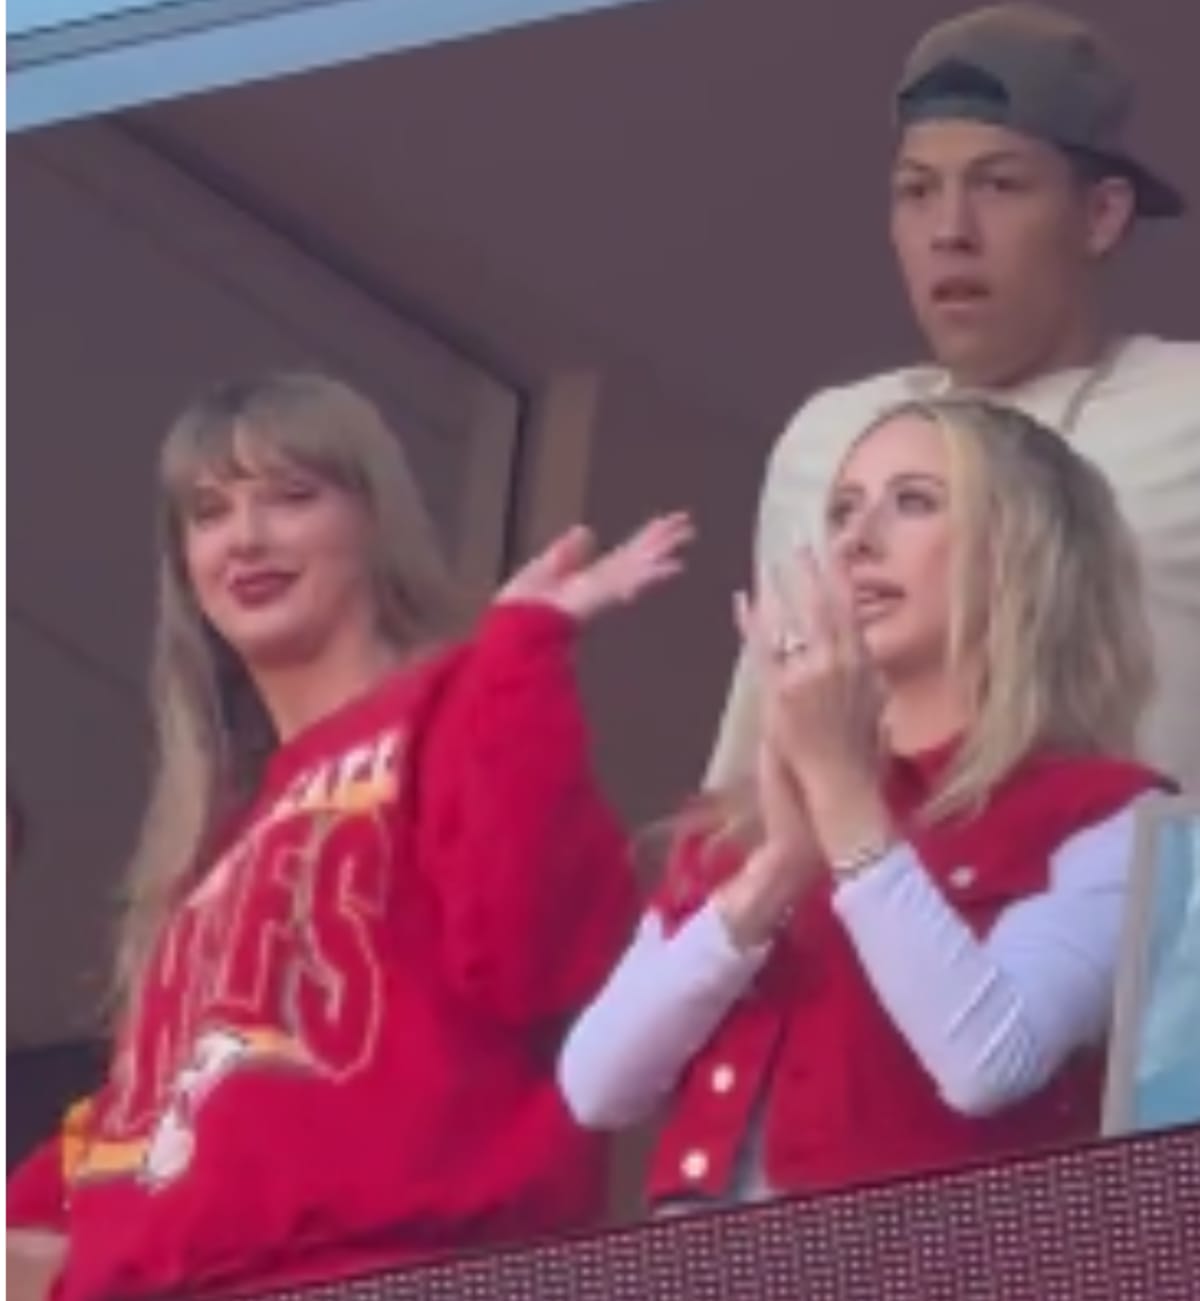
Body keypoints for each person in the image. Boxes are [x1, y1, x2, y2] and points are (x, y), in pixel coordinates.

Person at [5, 372, 694, 1301]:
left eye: (292, 496)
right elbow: (140, 1128)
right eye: (209, 513)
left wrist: (517, 657)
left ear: (375, 521)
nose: (245, 536)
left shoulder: (453, 705)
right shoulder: (215, 846)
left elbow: (545, 956)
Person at [560, 397, 1171, 1211]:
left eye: (913, 501)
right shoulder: (740, 824)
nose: (855, 540)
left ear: (1025, 555)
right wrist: (775, 873)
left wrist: (847, 805)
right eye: (843, 510)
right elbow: (595, 1085)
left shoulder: (1110, 815)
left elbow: (991, 1062)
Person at [709, 3, 1200, 796]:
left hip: (1127, 904)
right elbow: (756, 756)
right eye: (916, 190)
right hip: (850, 901)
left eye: (1000, 185)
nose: (951, 230)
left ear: (1102, 214)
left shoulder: (1186, 410)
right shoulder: (830, 438)